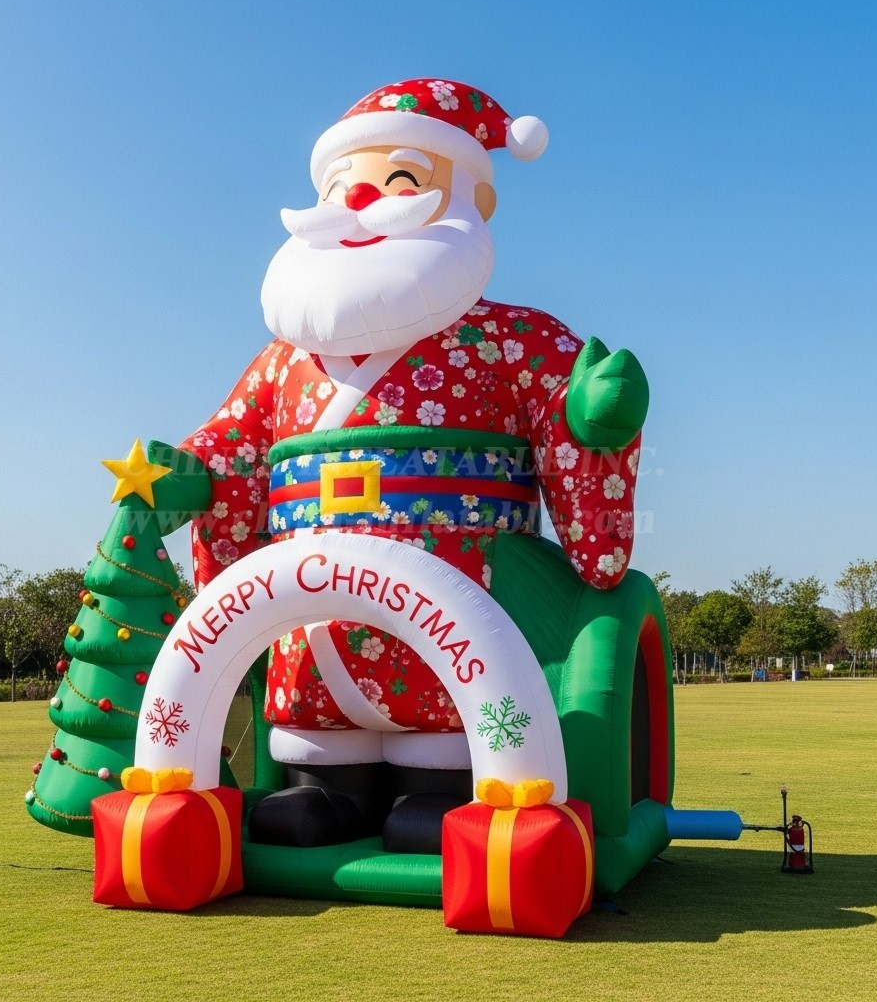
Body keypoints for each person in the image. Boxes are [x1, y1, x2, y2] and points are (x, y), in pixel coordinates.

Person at [172, 79, 650, 849]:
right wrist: (190, 471)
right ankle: (326, 788)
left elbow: (568, 407)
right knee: (318, 733)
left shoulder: (510, 336)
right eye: (339, 185)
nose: (359, 199)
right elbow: (230, 443)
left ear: (471, 201)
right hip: (310, 607)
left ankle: (447, 786)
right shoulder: (282, 361)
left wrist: (593, 415)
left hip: (462, 585)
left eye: (399, 180)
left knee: (456, 696)